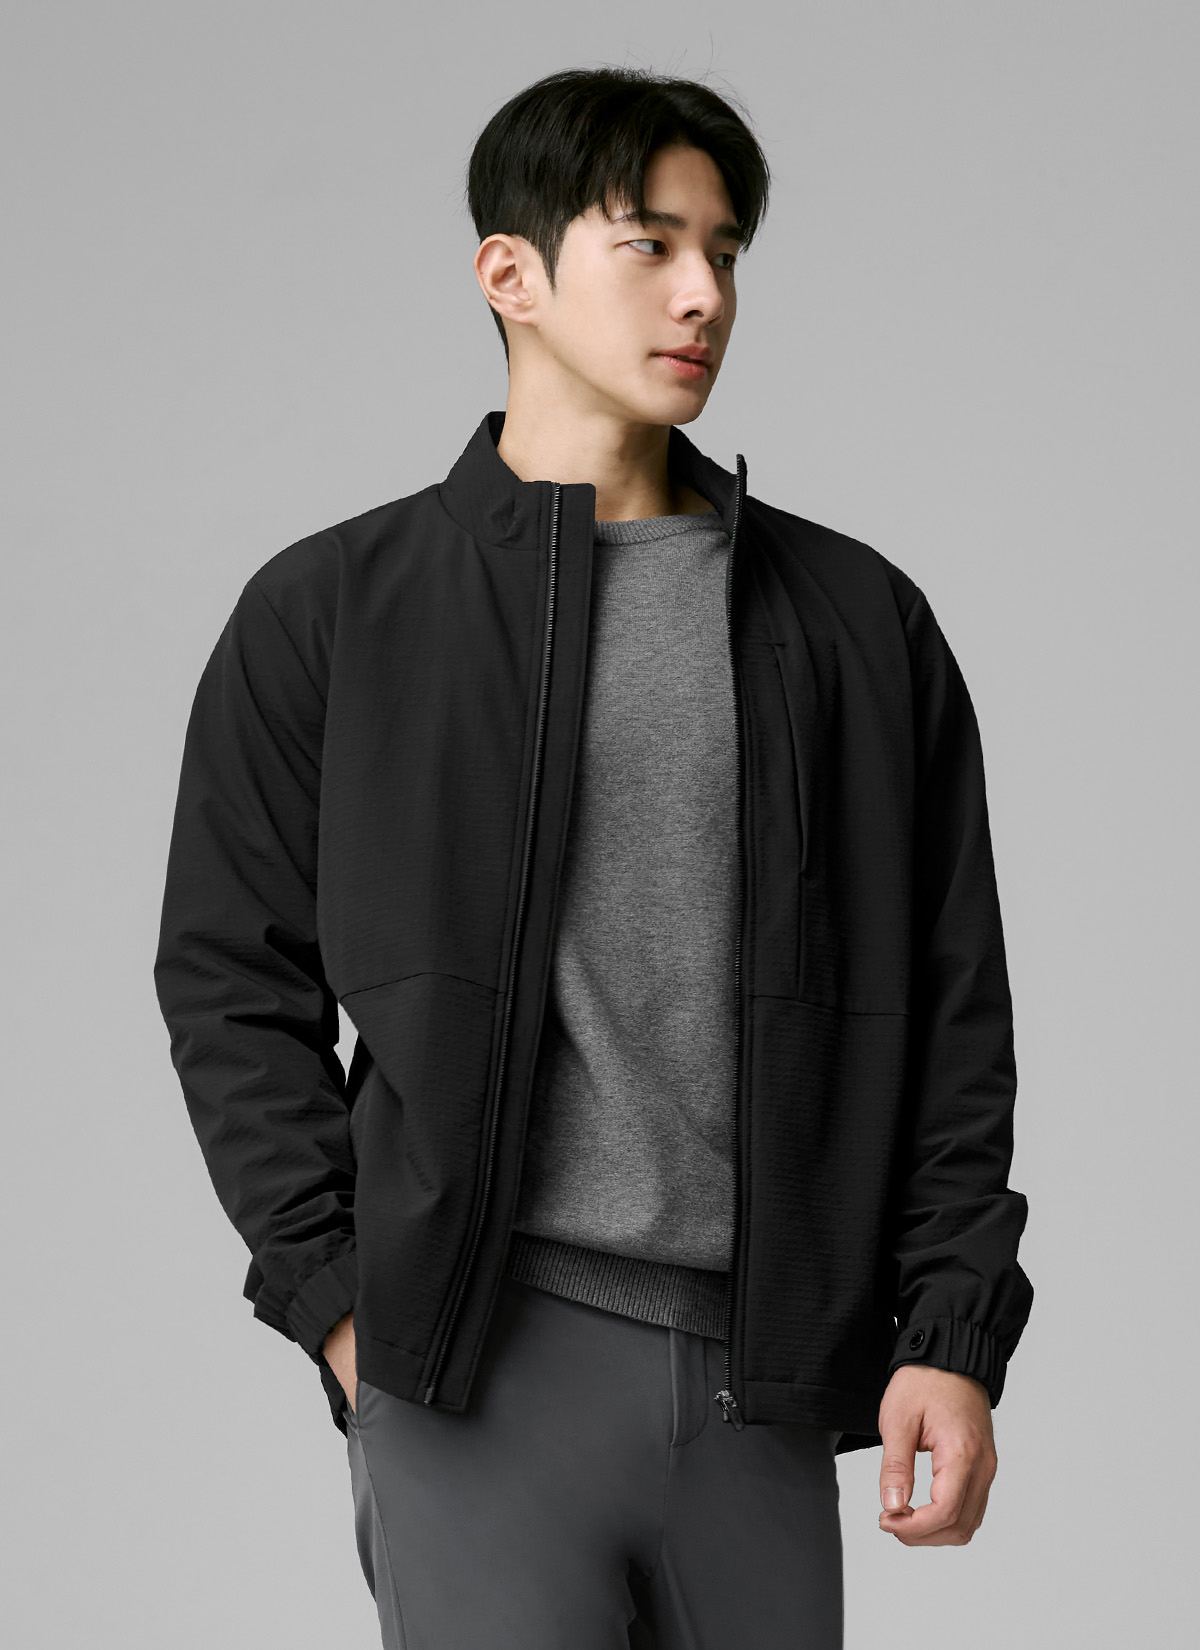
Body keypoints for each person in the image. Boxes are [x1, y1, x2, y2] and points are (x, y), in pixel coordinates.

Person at [153, 64, 1034, 1649]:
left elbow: (953, 1010)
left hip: (765, 1378)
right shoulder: (338, 611)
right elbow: (228, 975)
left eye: (726, 252)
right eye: (651, 243)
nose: (705, 293)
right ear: (511, 273)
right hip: (479, 1371)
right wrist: (341, 1300)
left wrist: (952, 1329)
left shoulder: (855, 625)